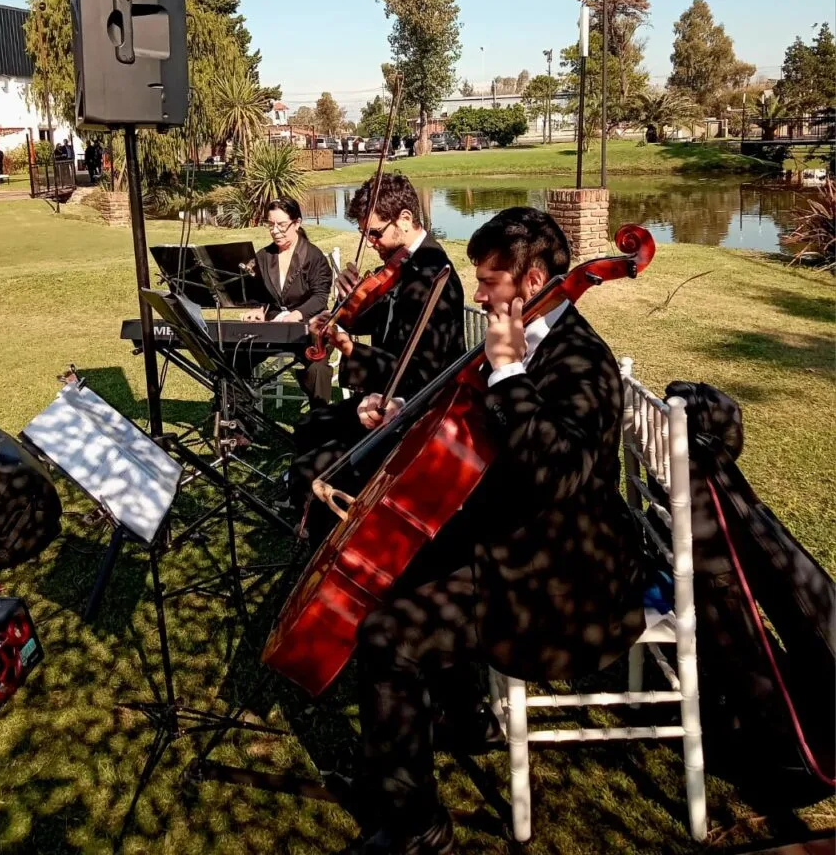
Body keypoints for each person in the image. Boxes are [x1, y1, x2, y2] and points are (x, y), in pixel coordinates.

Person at [338, 207, 646, 855]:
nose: (477, 294)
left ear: (532, 278)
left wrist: (508, 374)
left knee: (387, 636)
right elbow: (472, 429)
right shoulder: (527, 337)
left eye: (489, 281)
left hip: (562, 577)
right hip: (520, 542)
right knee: (398, 572)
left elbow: (553, 473)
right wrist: (403, 413)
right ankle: (461, 718)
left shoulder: (577, 361)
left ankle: (420, 831)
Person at [288, 174, 465, 548]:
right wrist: (349, 305)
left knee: (310, 468)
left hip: (410, 411)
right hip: (384, 396)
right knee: (308, 425)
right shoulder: (404, 265)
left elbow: (420, 375)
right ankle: (310, 518)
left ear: (404, 218)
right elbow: (379, 320)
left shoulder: (433, 278)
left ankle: (328, 541)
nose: (371, 243)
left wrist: (350, 349)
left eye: (375, 233)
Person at [241, 198, 334, 407]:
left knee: (317, 369)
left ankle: (319, 421)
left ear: (297, 223)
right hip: (274, 328)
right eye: (270, 224)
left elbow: (320, 297)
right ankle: (239, 421)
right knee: (237, 357)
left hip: (308, 328)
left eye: (281, 225)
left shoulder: (313, 256)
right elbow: (259, 294)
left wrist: (297, 314)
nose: (275, 231)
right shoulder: (264, 256)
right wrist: (258, 309)